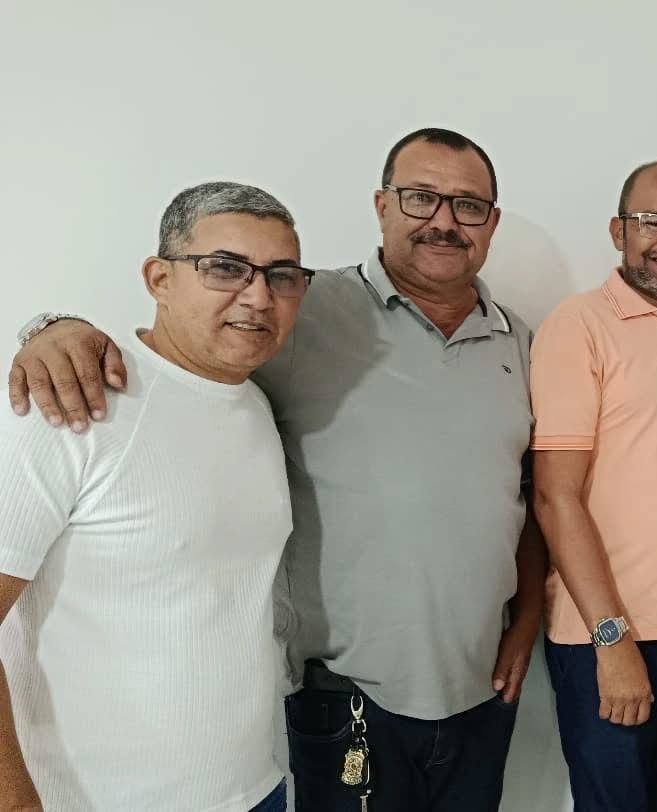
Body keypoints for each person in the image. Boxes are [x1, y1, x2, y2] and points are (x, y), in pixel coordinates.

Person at [7, 128, 545, 811]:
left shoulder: (519, 342)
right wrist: (49, 327)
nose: (443, 220)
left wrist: (526, 620)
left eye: (467, 205)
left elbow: (527, 495)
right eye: (420, 197)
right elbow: (178, 358)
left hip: (466, 694)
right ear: (381, 205)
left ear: (491, 222)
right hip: (342, 698)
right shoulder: (301, 311)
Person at [0, 182, 307, 811]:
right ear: (159, 278)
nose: (258, 296)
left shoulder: (257, 406)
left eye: (281, 275)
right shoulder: (68, 404)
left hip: (255, 788)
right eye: (225, 267)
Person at [530, 160, 657, 811]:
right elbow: (554, 496)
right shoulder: (579, 325)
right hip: (607, 637)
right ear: (619, 230)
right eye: (654, 222)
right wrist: (611, 639)